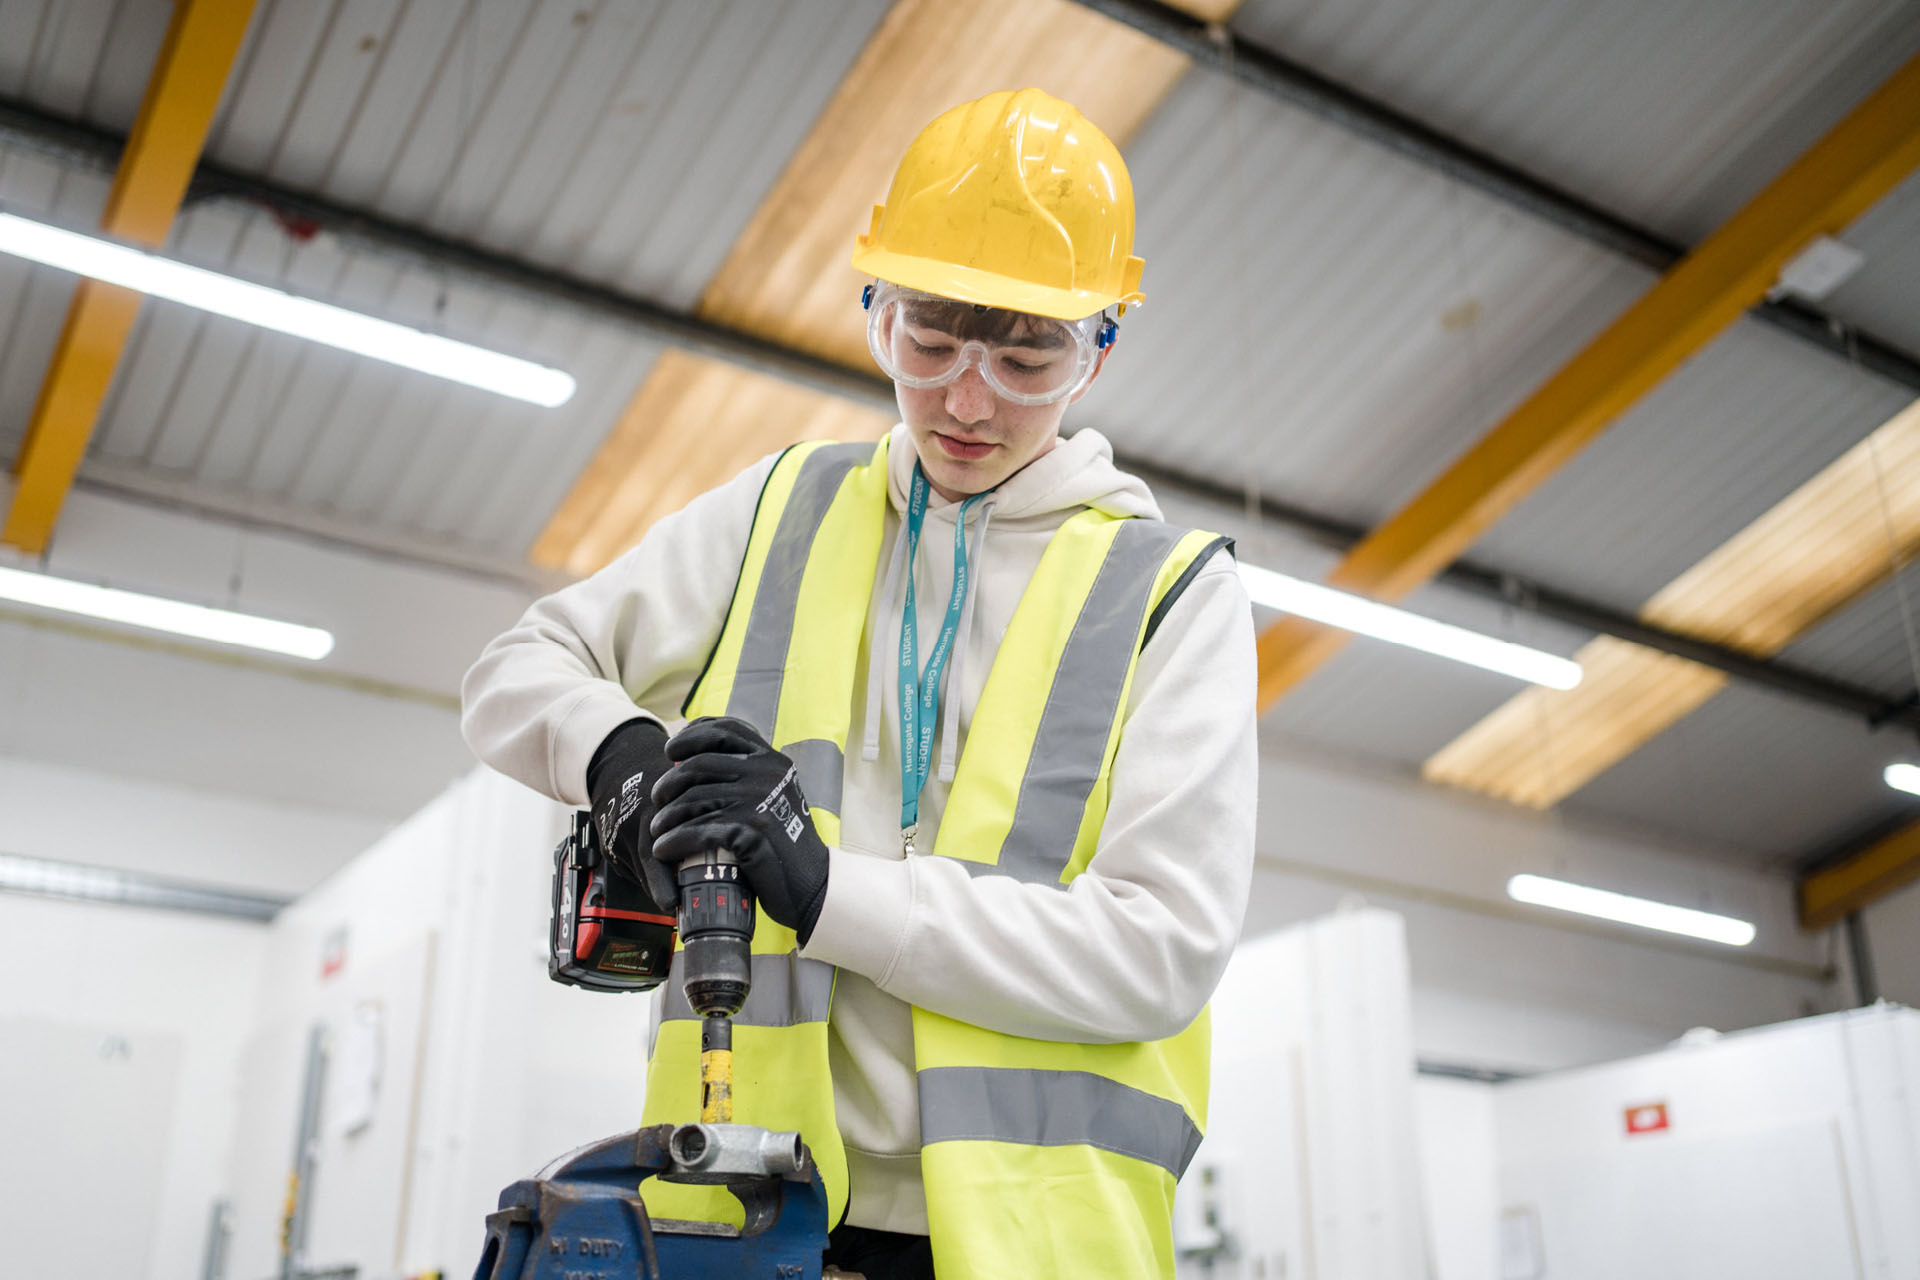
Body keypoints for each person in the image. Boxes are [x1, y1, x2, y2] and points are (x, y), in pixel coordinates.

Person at [461, 87, 1257, 1279]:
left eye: (1026, 355)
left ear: (1100, 349)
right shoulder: (784, 507)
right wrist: (626, 767)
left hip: (1034, 1247)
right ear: (874, 310)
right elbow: (516, 671)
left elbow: (1160, 948)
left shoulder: (1172, 593)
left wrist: (832, 890)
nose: (967, 400)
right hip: (744, 1214)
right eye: (928, 344)